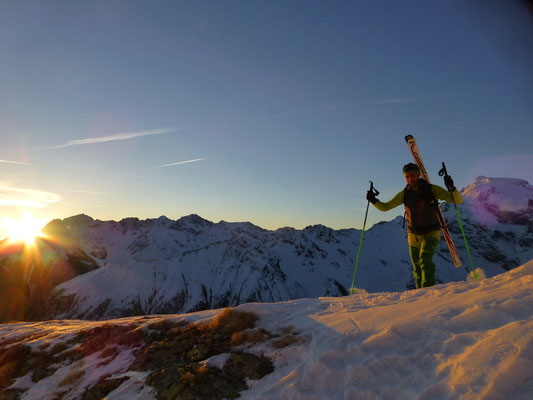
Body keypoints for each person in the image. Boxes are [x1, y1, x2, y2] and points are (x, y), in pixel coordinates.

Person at [366, 163, 462, 288]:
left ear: (419, 175)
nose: (410, 178)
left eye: (412, 175)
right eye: (407, 176)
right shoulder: (404, 194)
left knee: (425, 260)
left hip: (432, 231)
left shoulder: (432, 189)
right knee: (416, 266)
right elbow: (386, 207)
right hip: (413, 234)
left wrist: (452, 188)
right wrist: (374, 201)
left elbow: (457, 200)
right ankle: (419, 294)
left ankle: (428, 291)